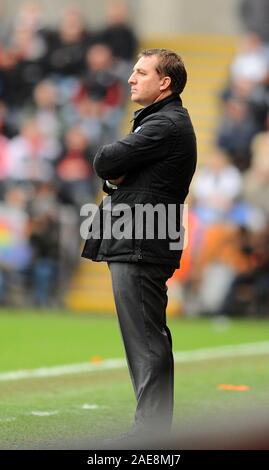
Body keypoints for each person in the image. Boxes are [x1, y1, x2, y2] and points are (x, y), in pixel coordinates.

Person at [82, 48, 197, 443]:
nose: (131, 78)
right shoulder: (161, 122)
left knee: (146, 342)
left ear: (165, 83)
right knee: (146, 341)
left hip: (141, 241)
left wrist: (115, 172)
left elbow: (105, 159)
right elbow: (116, 172)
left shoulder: (164, 124)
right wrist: (118, 177)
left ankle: (150, 435)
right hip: (141, 239)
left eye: (141, 72)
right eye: (133, 71)